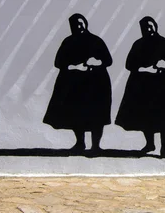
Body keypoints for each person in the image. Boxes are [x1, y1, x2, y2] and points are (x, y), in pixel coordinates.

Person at [43, 13, 113, 152]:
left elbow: (108, 60)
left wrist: (96, 62)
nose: (79, 26)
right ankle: (80, 143)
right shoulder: (68, 42)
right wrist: (74, 66)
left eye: (81, 23)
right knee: (77, 115)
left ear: (86, 23)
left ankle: (96, 146)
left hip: (96, 84)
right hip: (75, 85)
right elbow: (58, 62)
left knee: (96, 115)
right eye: (75, 24)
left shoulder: (96, 41)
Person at [115, 16, 165, 158]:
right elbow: (129, 64)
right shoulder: (138, 44)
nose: (149, 29)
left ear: (156, 26)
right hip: (145, 88)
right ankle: (150, 144)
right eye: (146, 27)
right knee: (147, 118)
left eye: (151, 26)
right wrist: (145, 69)